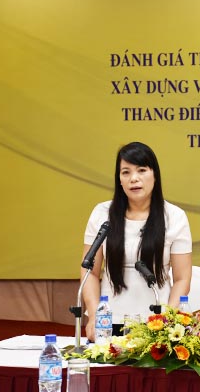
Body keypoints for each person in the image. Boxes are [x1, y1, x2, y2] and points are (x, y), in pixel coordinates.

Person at [80, 142, 192, 341]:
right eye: (126, 172)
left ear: (155, 175)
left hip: (156, 323)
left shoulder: (174, 216)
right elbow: (90, 271)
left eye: (141, 170)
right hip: (108, 322)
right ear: (119, 179)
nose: (134, 178)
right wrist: (94, 315)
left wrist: (168, 320)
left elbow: (182, 279)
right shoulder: (102, 214)